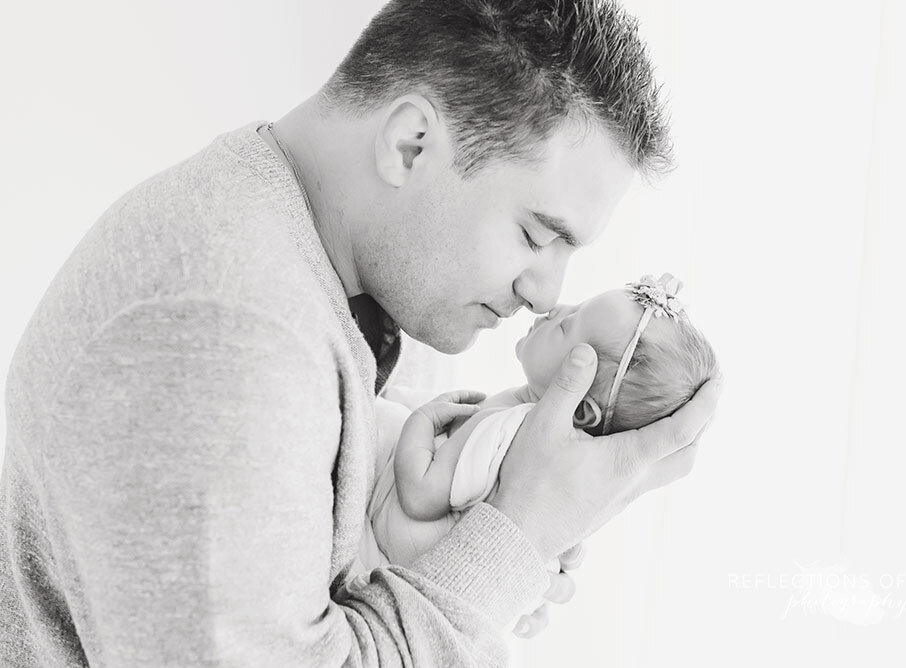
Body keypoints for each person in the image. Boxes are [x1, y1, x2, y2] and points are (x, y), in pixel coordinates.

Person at [0, 0, 723, 665]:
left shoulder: (290, 270)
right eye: (537, 236)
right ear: (411, 144)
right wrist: (520, 533)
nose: (546, 294)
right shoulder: (225, 335)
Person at [350, 274, 718, 627]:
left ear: (579, 408)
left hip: (372, 554)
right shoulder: (561, 482)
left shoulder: (508, 428)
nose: (554, 307)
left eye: (568, 324)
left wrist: (423, 419)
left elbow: (419, 493)